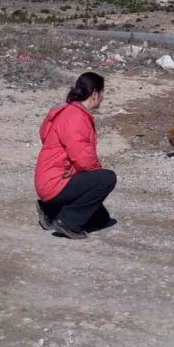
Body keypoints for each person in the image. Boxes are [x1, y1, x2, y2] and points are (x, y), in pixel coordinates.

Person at [34, 72, 117, 239]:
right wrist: (97, 176)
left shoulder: (68, 111)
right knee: (107, 178)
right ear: (94, 94)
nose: (103, 97)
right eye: (102, 93)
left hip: (52, 179)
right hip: (56, 181)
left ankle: (49, 210)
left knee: (101, 219)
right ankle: (67, 222)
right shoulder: (75, 117)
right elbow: (84, 160)